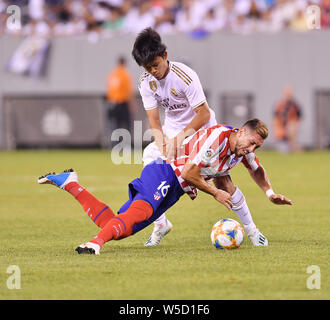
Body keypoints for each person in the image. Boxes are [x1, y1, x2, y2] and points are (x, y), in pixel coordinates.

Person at [38, 119, 292, 255]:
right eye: (250, 142)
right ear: (240, 131)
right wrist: (215, 191)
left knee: (121, 227)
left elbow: (256, 169)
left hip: (177, 188)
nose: (251, 149)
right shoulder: (218, 138)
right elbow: (190, 172)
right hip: (165, 168)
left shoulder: (241, 151)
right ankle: (94, 244)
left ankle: (71, 183)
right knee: (143, 212)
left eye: (256, 147)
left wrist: (269, 193)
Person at [131, 27, 217, 247]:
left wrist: (179, 140)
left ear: (165, 56)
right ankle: (160, 223)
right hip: (172, 129)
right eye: (147, 68)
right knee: (150, 158)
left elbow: (204, 113)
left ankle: (252, 229)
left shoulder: (184, 76)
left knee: (222, 180)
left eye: (155, 65)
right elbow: (154, 121)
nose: (153, 71)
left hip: (201, 129)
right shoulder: (145, 81)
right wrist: (163, 146)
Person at [106, 56, 136, 142]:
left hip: (112, 103)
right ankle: (126, 144)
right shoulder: (125, 75)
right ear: (124, 63)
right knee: (127, 124)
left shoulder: (112, 74)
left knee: (114, 125)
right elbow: (129, 92)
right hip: (122, 103)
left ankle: (115, 144)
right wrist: (132, 105)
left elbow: (109, 90)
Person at [273, 85, 302, 153]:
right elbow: (276, 117)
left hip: (290, 132)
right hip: (282, 134)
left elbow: (298, 117)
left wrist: (293, 126)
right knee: (284, 150)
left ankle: (294, 147)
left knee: (291, 146)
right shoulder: (280, 104)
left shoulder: (295, 105)